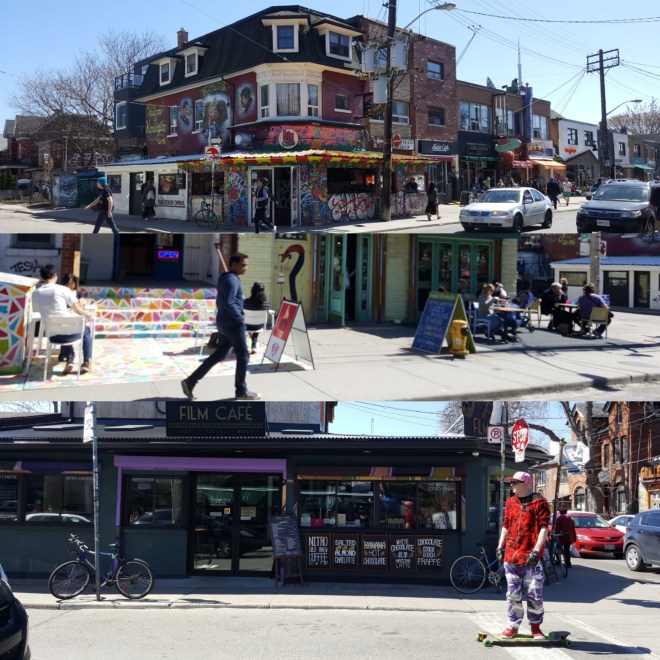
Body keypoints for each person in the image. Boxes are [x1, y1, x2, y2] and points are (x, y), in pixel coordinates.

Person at [181, 250, 260, 401]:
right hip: (233, 323)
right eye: (243, 265)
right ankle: (241, 391)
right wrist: (240, 318)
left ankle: (190, 382)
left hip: (224, 322)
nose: (246, 268)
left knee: (220, 354)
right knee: (243, 355)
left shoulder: (225, 278)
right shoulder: (232, 280)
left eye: (247, 265)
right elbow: (229, 303)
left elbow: (221, 301)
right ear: (233, 264)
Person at [495, 471, 550, 639]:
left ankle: (535, 627)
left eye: (515, 482)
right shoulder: (511, 502)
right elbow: (506, 525)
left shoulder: (539, 503)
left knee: (534, 593)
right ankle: (513, 626)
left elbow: (544, 527)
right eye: (511, 482)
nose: (511, 485)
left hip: (530, 557)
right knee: (513, 594)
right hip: (511, 556)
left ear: (525, 484)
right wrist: (500, 546)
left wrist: (536, 550)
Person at [31, 264, 94, 375]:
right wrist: (89, 315)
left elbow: (36, 311)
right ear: (55, 276)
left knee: (62, 329)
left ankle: (70, 359)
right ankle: (86, 362)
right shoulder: (63, 289)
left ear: (42, 277)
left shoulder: (35, 293)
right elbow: (78, 309)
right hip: (70, 334)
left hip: (52, 335)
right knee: (86, 330)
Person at [244, 281, 270, 355]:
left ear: (252, 290)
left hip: (246, 325)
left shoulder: (246, 301)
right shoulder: (266, 302)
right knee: (255, 325)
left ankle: (246, 344)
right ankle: (254, 346)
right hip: (259, 325)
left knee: (247, 323)